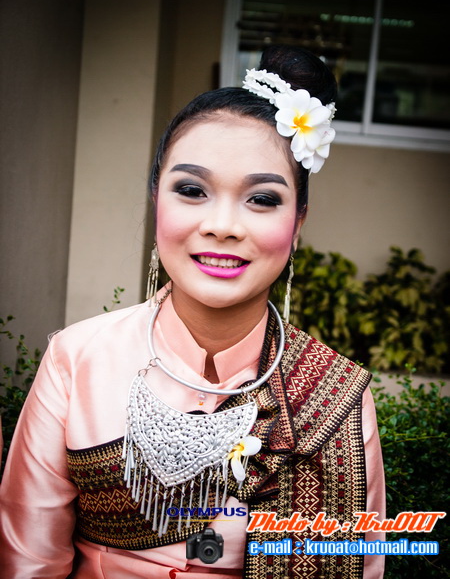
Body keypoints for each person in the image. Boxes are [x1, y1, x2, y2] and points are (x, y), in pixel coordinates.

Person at [0, 45, 385, 578]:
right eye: (191, 190)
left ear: (297, 224)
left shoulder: (337, 399)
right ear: (156, 200)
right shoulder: (77, 359)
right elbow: (29, 561)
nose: (222, 225)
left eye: (262, 199)